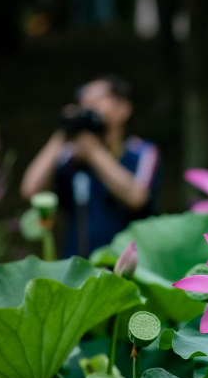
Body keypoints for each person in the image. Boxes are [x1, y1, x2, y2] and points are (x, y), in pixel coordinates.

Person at [20, 76, 161, 257]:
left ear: (123, 109)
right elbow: (30, 190)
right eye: (83, 102)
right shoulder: (72, 156)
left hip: (129, 266)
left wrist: (93, 152)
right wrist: (62, 132)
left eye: (97, 100)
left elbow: (137, 197)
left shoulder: (141, 152)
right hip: (78, 267)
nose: (88, 106)